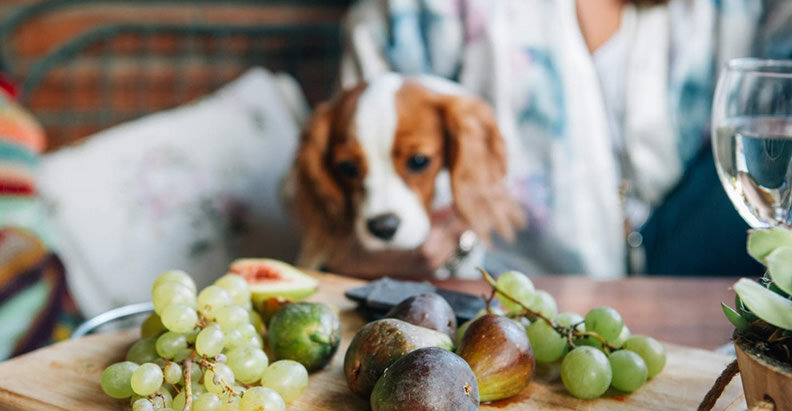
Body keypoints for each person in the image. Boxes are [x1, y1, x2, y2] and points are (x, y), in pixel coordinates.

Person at [323, 0, 791, 278]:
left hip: (714, 266)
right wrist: (441, 240)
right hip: (513, 289)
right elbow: (341, 241)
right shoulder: (407, 16)